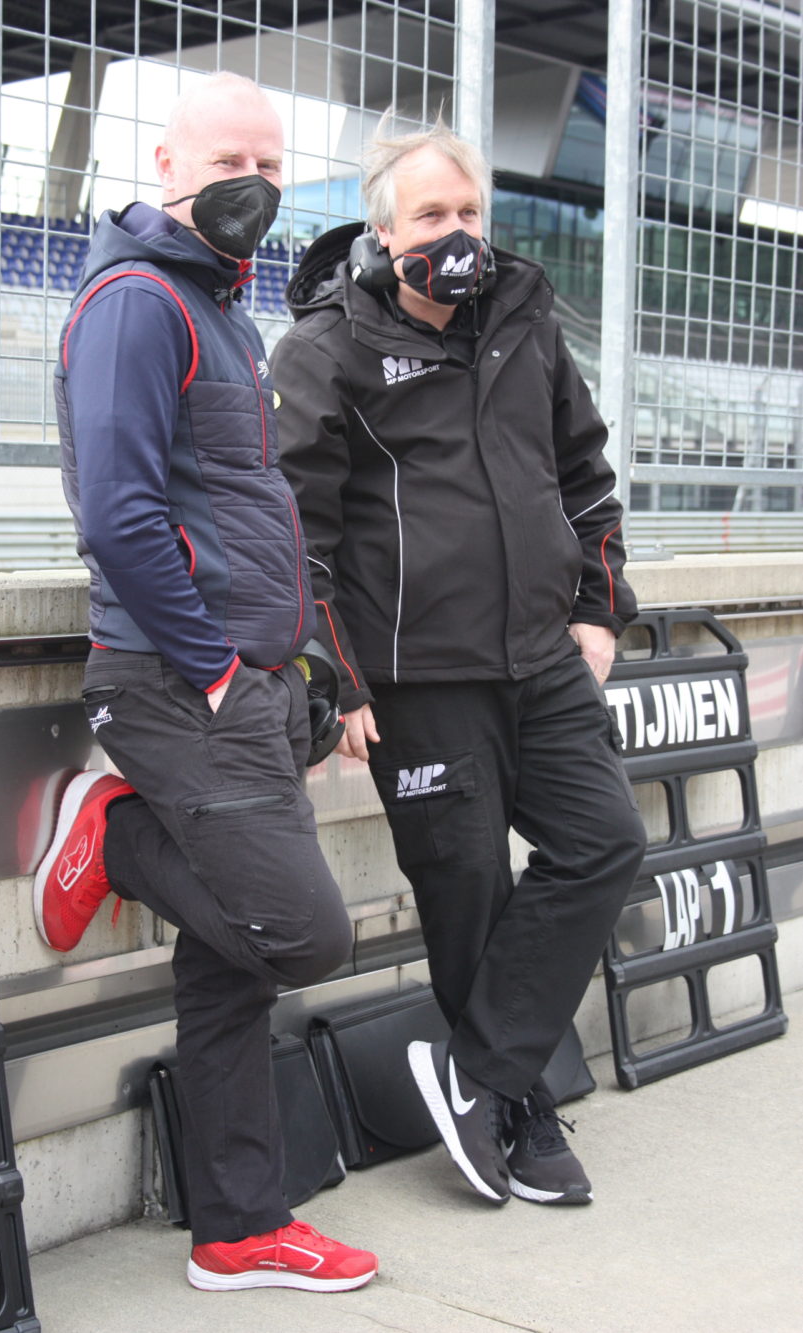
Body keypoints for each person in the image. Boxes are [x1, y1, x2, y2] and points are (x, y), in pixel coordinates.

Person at [32, 73, 377, 1293]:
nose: (255, 182)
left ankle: (238, 1226)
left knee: (232, 967)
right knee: (304, 935)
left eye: (273, 164)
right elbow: (119, 517)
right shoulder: (137, 303)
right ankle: (115, 831)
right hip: (183, 685)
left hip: (248, 682)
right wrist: (222, 669)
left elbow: (249, 510)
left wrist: (296, 665)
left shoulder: (222, 311)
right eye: (231, 158)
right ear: (168, 164)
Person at [272, 116, 648, 1207]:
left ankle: (476, 1071)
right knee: (467, 891)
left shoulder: (525, 322)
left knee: (604, 841)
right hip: (417, 678)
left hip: (542, 656)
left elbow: (585, 477)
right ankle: (515, 1108)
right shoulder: (324, 349)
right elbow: (295, 537)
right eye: (431, 213)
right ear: (385, 232)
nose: (456, 232)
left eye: (469, 210)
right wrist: (334, 675)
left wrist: (599, 610)